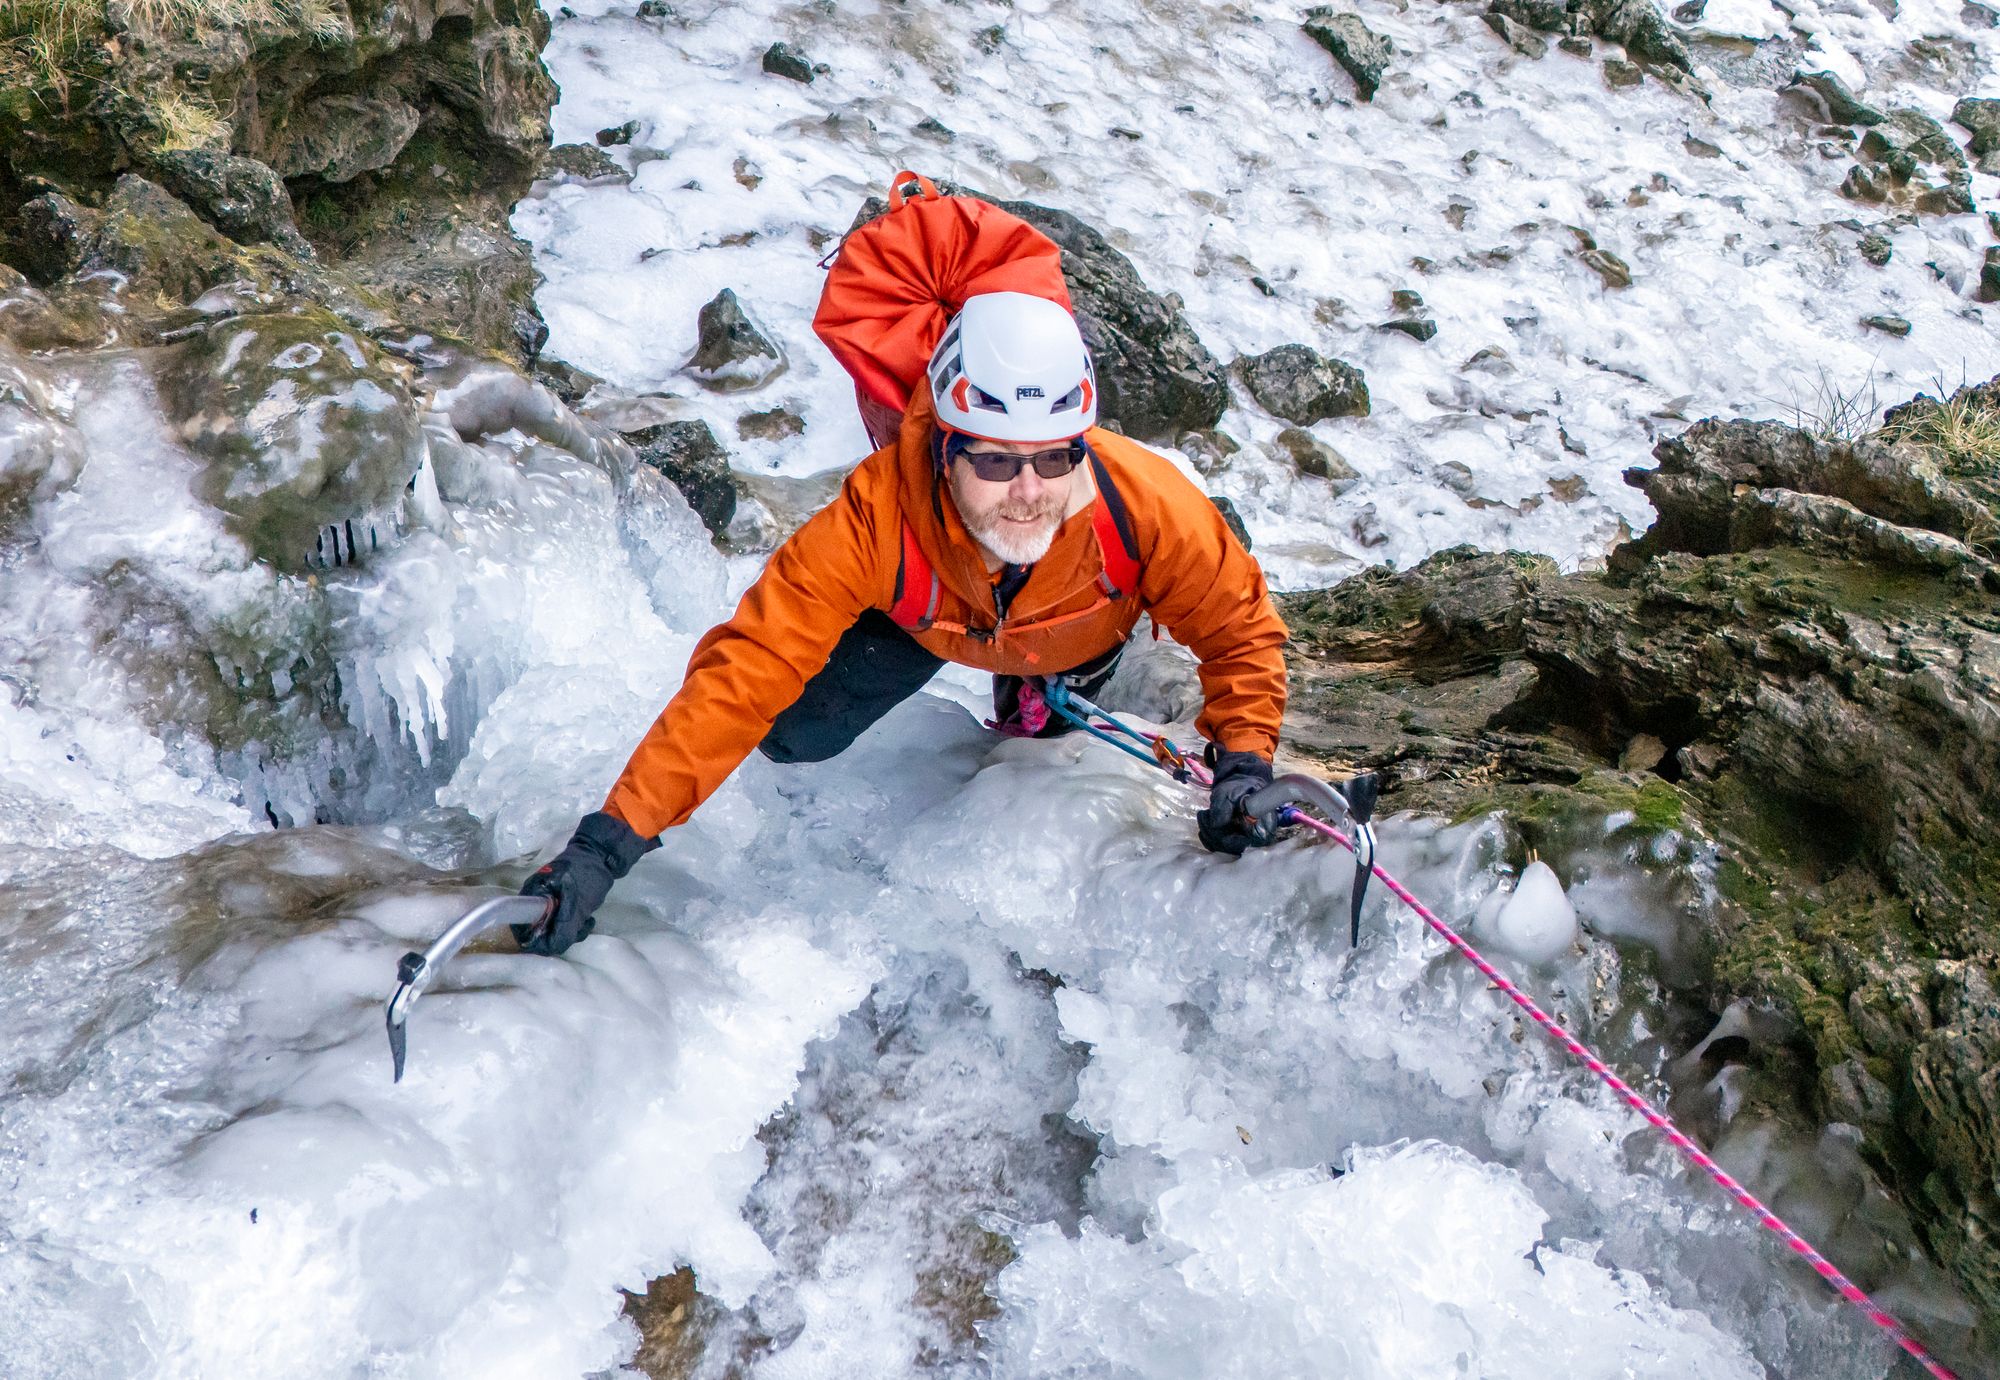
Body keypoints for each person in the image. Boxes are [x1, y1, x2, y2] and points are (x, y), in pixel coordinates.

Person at [516, 293, 1290, 955]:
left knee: (1047, 719)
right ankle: (1025, 669)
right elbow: (744, 673)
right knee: (792, 734)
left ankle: (1041, 681)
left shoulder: (1147, 507)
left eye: (1053, 460)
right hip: (931, 618)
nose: (1027, 491)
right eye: (994, 463)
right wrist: (607, 846)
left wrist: (1246, 760)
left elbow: (1240, 631)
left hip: (1073, 623)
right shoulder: (876, 518)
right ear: (946, 449)